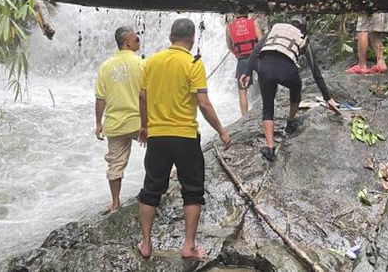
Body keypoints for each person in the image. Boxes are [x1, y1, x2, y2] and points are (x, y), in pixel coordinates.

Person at [136, 18, 232, 261]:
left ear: (170, 37)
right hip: (185, 136)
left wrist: (145, 126)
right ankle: (188, 246)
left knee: (150, 190)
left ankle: (146, 243)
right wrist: (221, 130)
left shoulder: (152, 62)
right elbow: (203, 103)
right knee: (192, 191)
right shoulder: (193, 63)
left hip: (157, 136)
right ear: (191, 39)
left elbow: (142, 97)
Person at [240, 16, 338, 161]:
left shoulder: (276, 28)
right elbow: (315, 71)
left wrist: (247, 72)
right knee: (296, 87)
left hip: (264, 67)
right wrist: (327, 98)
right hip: (286, 70)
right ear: (303, 29)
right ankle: (290, 121)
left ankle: (270, 148)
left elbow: (256, 49)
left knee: (267, 107)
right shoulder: (302, 37)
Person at [94, 26, 144, 213]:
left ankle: (115, 203)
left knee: (115, 163)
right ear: (128, 42)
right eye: (136, 39)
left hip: (114, 123)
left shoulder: (106, 66)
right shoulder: (141, 64)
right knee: (158, 147)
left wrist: (99, 123)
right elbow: (146, 95)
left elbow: (100, 98)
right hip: (138, 122)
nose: (138, 40)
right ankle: (167, 179)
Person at [226, 14, 264, 116]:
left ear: (235, 15)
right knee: (265, 82)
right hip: (256, 57)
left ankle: (244, 116)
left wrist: (237, 54)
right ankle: (269, 107)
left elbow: (229, 46)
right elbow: (261, 42)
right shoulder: (253, 22)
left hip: (242, 59)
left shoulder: (229, 27)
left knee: (242, 90)